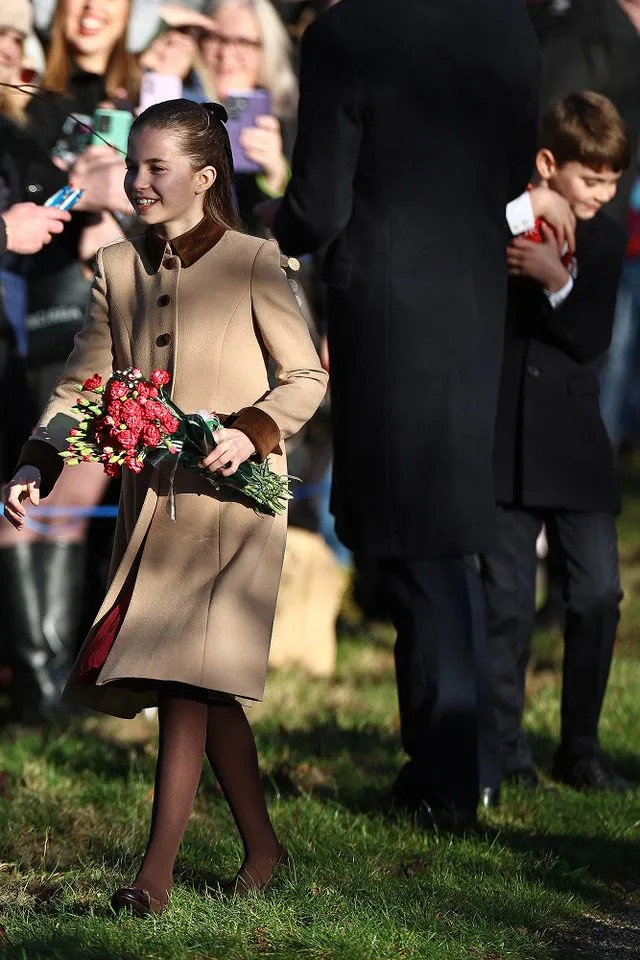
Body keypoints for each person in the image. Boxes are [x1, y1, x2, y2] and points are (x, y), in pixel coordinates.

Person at [3, 97, 327, 911]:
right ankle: (263, 849)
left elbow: (305, 378)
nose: (137, 181)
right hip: (156, 505)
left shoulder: (254, 260)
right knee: (204, 686)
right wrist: (39, 459)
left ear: (206, 177)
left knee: (186, 676)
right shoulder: (117, 267)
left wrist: (252, 430)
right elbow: (83, 384)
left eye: (157, 167)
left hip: (235, 505)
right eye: (132, 166)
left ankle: (154, 877)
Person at [273, 0, 541, 824]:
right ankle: (472, 757)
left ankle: (445, 776)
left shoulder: (348, 33)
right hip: (474, 294)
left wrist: (261, 228)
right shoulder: (507, 24)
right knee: (448, 536)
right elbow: (512, 175)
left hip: (390, 308)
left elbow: (319, 205)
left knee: (418, 541)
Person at [480, 92, 631, 793]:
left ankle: (581, 745)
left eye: (612, 180)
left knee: (597, 592)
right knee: (507, 601)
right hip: (504, 435)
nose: (602, 193)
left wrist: (557, 282)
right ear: (548, 164)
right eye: (589, 179)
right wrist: (532, 209)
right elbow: (477, 234)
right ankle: (507, 752)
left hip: (574, 442)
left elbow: (592, 338)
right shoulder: (509, 211)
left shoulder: (607, 235)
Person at [201, 0, 297, 232]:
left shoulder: (291, 126)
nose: (226, 53)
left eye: (243, 42)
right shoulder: (175, 106)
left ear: (267, 52)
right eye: (214, 38)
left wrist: (274, 177)